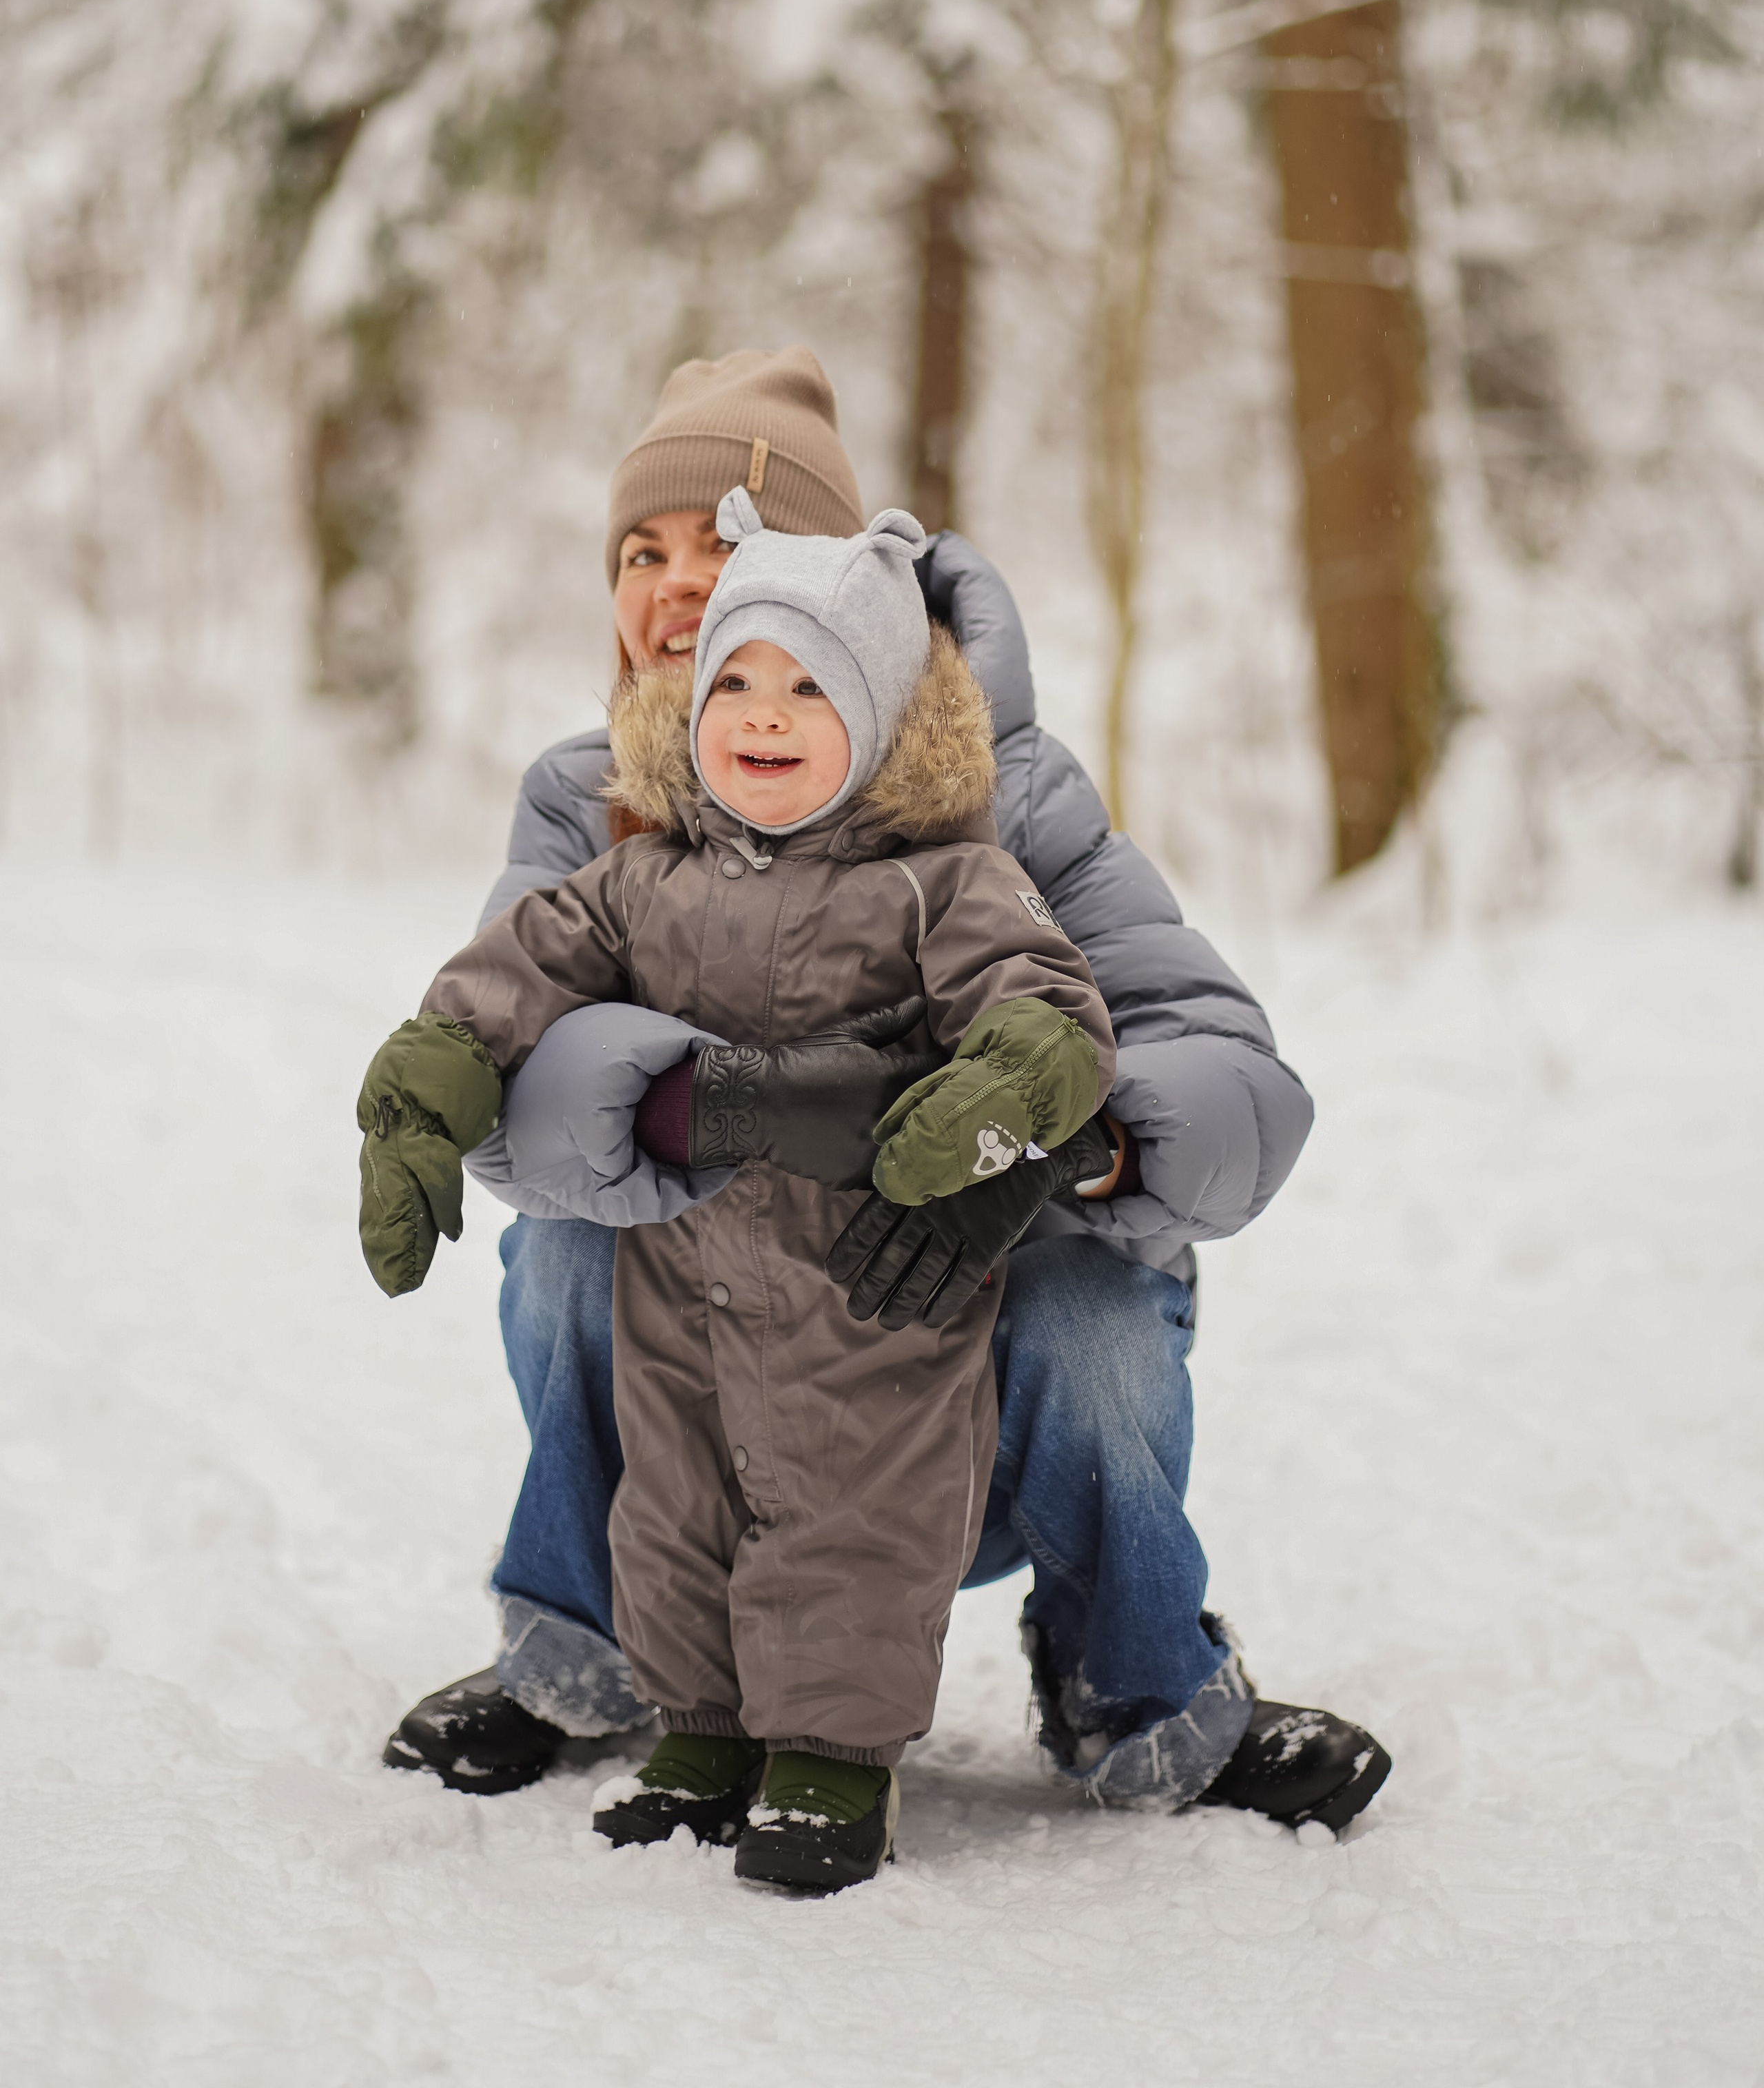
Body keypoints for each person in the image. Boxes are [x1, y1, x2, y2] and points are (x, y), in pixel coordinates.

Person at [376, 347, 1390, 1834]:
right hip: (703, 1346)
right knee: (570, 1258)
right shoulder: (587, 801)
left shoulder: (1012, 795)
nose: (678, 583)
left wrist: (1057, 1147)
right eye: (640, 553)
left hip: (937, 1330)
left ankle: (1139, 1692)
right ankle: (588, 1658)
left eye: (722, 542)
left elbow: (1228, 1067)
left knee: (1097, 1314)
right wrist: (722, 1105)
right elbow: (514, 1076)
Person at [362, 489, 1120, 1889]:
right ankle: (701, 1730)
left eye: (810, 688)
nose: (765, 715)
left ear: (882, 720)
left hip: (871, 1292)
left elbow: (1047, 1001)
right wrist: (423, 1094)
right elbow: (513, 973)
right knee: (676, 1505)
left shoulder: (941, 882)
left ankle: (833, 1756)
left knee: (851, 1517)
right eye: (736, 684)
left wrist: (1003, 1093)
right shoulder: (644, 877)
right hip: (683, 1282)